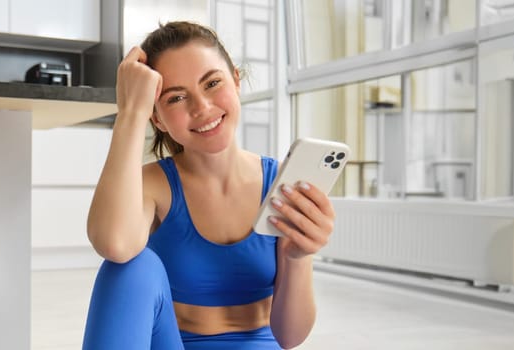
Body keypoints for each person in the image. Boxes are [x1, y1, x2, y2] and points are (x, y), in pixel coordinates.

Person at [82, 21, 335, 350]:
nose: (201, 107)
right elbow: (114, 244)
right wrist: (130, 111)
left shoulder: (281, 187)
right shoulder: (153, 186)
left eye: (212, 83)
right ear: (157, 118)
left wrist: (298, 256)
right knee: (131, 267)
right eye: (175, 98)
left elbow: (290, 337)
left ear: (236, 81)